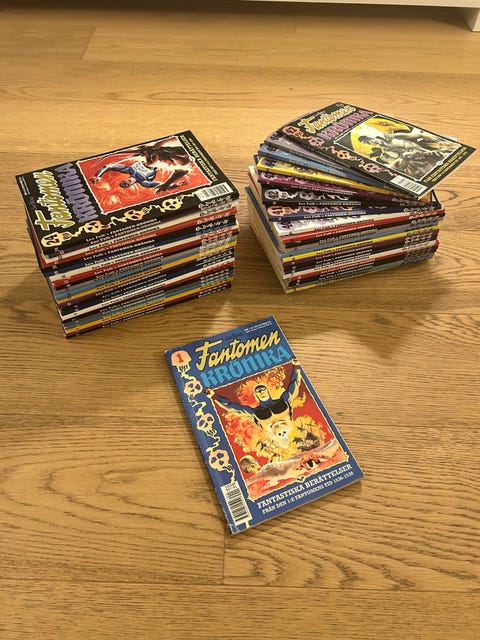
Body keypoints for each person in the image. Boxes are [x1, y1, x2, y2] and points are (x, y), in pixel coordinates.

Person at [206, 360, 302, 448]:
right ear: (256, 396)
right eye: (259, 391)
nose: (261, 391)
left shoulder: (282, 404)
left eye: (263, 389)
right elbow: (233, 408)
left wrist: (214, 396)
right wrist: (296, 367)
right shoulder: (258, 412)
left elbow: (294, 385)